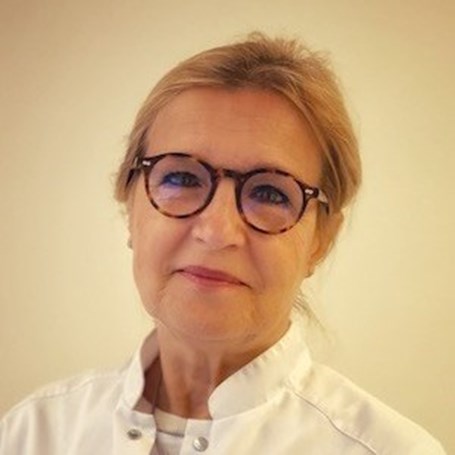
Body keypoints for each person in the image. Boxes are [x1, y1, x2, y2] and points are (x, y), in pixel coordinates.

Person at [0, 32, 446, 455]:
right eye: (181, 178)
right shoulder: (33, 433)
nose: (216, 231)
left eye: (270, 193)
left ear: (320, 240)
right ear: (130, 206)